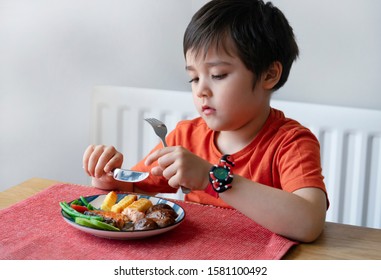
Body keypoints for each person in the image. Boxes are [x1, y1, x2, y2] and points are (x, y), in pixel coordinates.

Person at [83, 0, 329, 242]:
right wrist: (108, 178)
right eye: (194, 78)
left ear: (269, 74)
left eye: (217, 75)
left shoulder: (292, 143)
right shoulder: (185, 137)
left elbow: (308, 223)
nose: (201, 90)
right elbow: (131, 192)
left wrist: (211, 178)